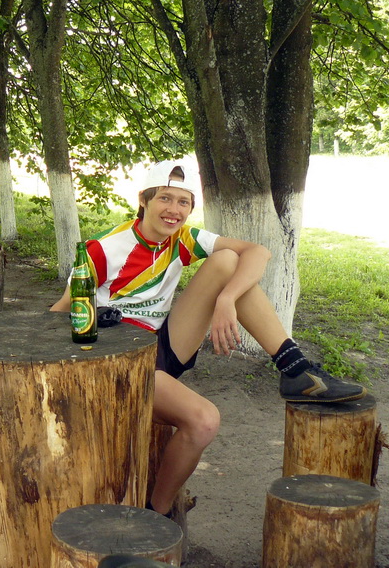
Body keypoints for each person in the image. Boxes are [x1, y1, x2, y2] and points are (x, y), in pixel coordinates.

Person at [51, 160, 366, 517]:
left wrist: (226, 300)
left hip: (160, 347)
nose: (174, 210)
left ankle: (294, 369)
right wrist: (97, 319)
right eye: (165, 198)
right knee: (204, 420)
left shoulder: (183, 239)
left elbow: (258, 252)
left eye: (183, 202)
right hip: (119, 362)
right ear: (143, 199)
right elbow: (58, 314)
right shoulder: (103, 249)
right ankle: (157, 513)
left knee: (229, 260)